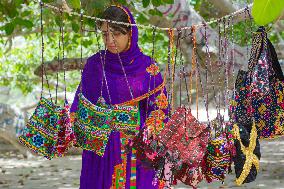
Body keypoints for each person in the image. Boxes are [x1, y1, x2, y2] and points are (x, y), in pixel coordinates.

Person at [70, 5, 168, 189]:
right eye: (105, 34)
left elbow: (160, 108)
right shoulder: (95, 65)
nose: (110, 40)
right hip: (100, 151)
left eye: (116, 33)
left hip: (138, 151)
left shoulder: (147, 67)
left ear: (130, 33)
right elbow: (80, 104)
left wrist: (147, 131)